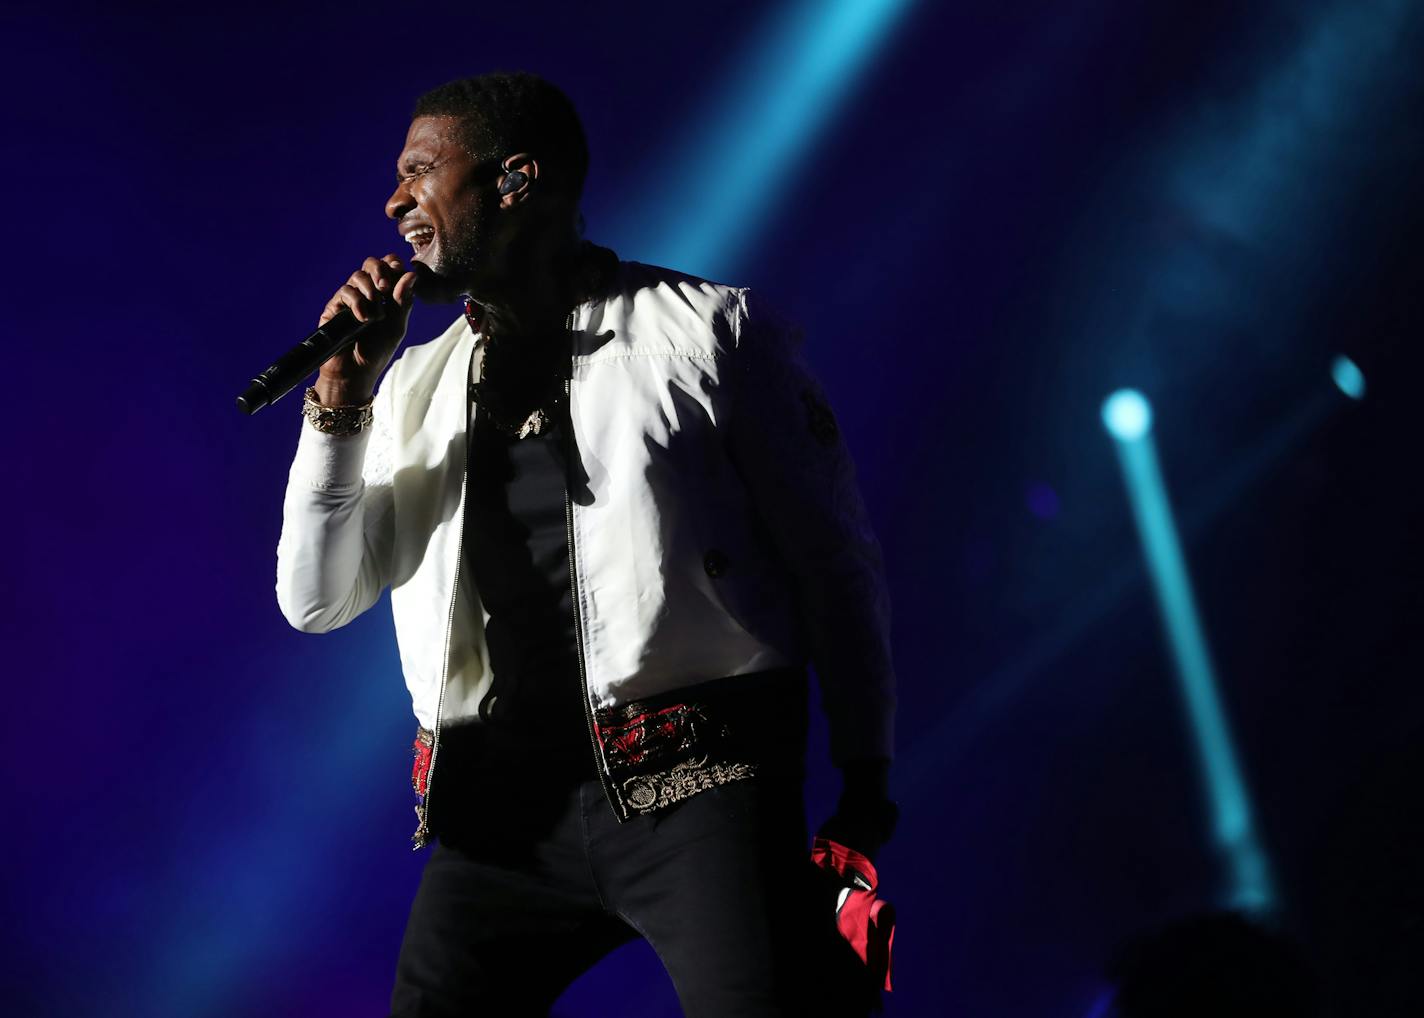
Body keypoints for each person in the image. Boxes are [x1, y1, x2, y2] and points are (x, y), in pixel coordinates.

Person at [274, 71, 898, 1017]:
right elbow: (315, 601)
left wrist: (865, 779)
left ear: (515, 180)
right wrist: (341, 402)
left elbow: (835, 566)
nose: (394, 200)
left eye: (420, 172)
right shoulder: (409, 390)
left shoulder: (708, 337)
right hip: (500, 823)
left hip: (697, 793)